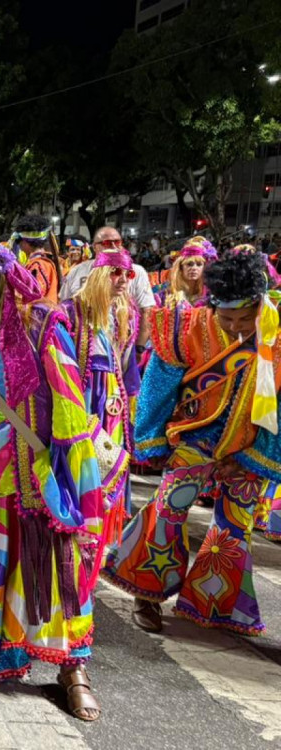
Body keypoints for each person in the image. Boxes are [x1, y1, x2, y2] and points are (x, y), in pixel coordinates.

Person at [0, 235, 104, 720]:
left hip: (42, 479)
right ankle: (2, 653)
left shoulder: (41, 326)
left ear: (0, 283)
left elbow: (71, 408)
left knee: (59, 575)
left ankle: (73, 669)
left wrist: (73, 479)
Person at [103, 248, 281, 637]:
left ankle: (213, 604)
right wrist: (150, 441)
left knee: (235, 527)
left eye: (245, 319)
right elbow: (158, 384)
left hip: (252, 445)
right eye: (227, 318)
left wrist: (257, 458)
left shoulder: (276, 336)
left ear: (261, 305)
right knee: (169, 508)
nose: (237, 328)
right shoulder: (187, 327)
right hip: (195, 438)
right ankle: (145, 593)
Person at [60, 249, 141, 557]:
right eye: (115, 273)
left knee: (111, 468)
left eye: (127, 274)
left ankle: (101, 544)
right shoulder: (71, 312)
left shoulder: (126, 314)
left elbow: (127, 366)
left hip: (114, 406)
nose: (122, 280)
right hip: (84, 403)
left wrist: (130, 403)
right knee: (84, 473)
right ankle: (81, 537)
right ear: (97, 274)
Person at [13, 214, 62, 304]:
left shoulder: (38, 265)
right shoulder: (45, 261)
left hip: (39, 315)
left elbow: (33, 296)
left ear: (26, 241)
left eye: (19, 241)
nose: (19, 245)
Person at [158, 236, 216, 307]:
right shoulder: (165, 289)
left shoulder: (210, 293)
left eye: (199, 264)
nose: (194, 268)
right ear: (181, 267)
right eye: (189, 264)